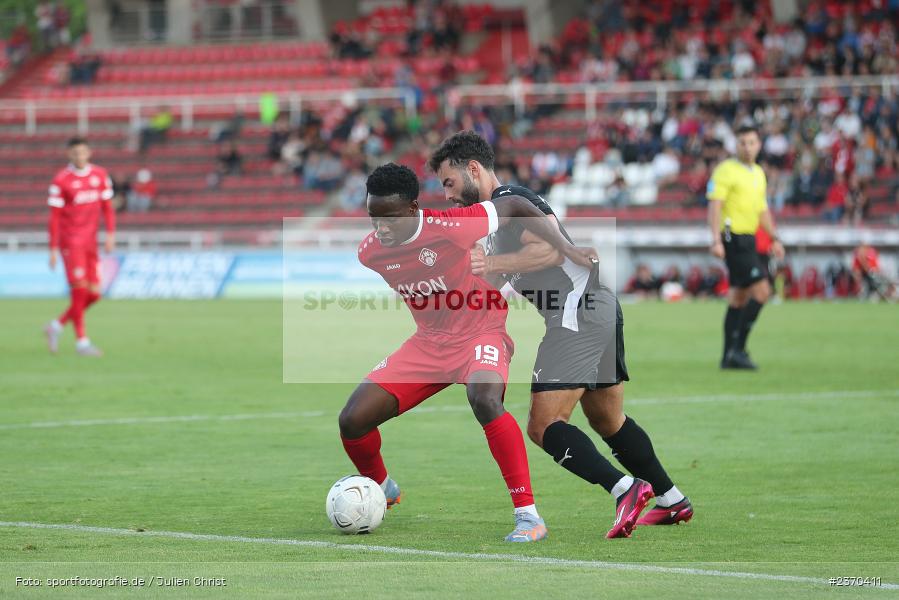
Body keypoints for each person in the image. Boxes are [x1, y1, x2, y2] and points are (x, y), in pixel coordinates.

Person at [429, 131, 690, 538]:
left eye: (449, 182)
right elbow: (494, 280)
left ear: (473, 169)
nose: (447, 195)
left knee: (543, 425)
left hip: (576, 313)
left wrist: (490, 263)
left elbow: (549, 251)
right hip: (598, 308)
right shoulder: (498, 221)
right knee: (608, 420)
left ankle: (625, 489)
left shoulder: (509, 200)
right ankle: (672, 500)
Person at [340, 163, 598, 543]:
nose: (381, 228)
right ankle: (382, 488)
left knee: (485, 399)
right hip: (429, 343)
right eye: (373, 217)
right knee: (352, 420)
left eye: (390, 218)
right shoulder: (371, 252)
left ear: (413, 208)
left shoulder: (451, 226)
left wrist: (567, 248)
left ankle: (528, 516)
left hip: (481, 330)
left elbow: (515, 206)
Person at [708, 124, 786, 370]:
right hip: (732, 237)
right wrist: (715, 240)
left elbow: (762, 211)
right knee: (762, 291)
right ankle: (738, 350)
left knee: (738, 296)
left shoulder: (759, 173)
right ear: (736, 145)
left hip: (749, 238)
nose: (747, 147)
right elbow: (715, 206)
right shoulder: (725, 170)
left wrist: (774, 237)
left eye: (751, 142)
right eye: (742, 142)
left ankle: (727, 356)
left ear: (759, 145)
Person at [44, 137, 115, 357]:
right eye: (75, 153)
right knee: (80, 291)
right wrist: (53, 248)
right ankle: (82, 343)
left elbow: (108, 208)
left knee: (94, 295)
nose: (79, 157)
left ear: (89, 153)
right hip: (71, 243)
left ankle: (56, 326)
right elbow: (54, 218)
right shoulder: (61, 180)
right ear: (69, 154)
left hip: (91, 243)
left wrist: (110, 234)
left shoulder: (100, 175)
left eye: (83, 152)